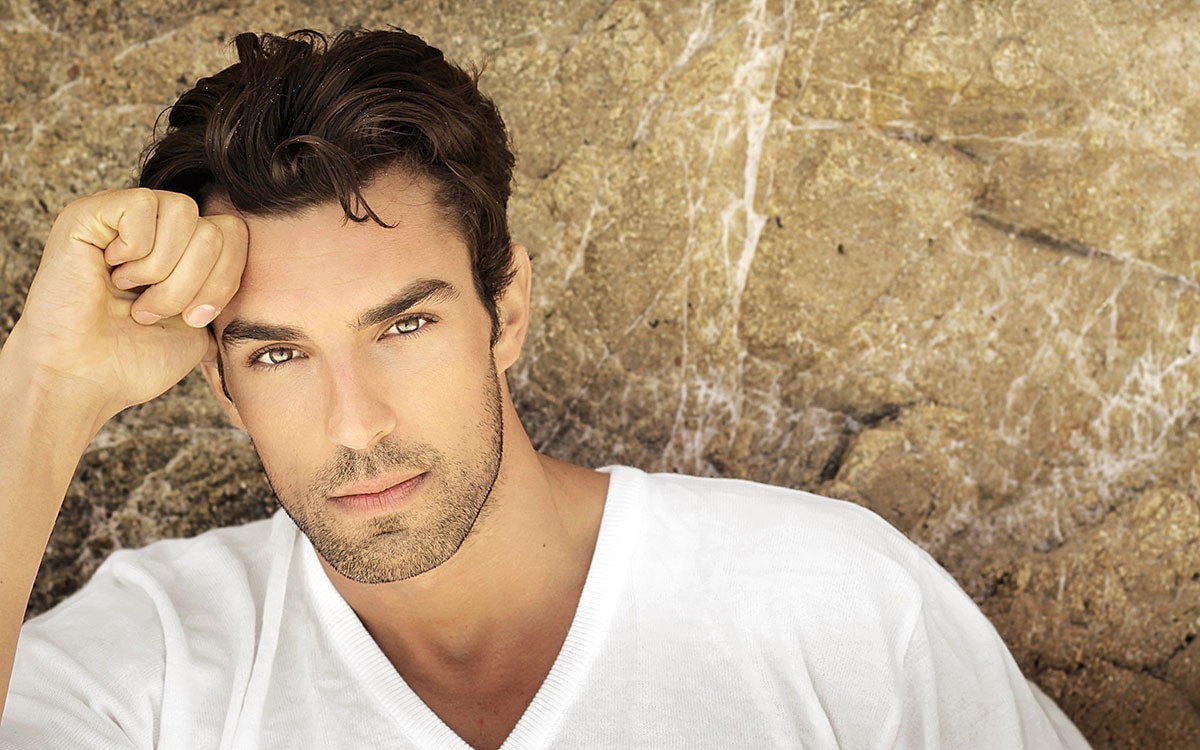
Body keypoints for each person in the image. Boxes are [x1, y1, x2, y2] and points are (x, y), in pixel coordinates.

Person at [0, 27, 1089, 749]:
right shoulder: (154, 664)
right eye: (278, 353)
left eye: (406, 324)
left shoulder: (829, 603)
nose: (357, 422)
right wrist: (46, 388)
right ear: (220, 383)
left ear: (504, 308)